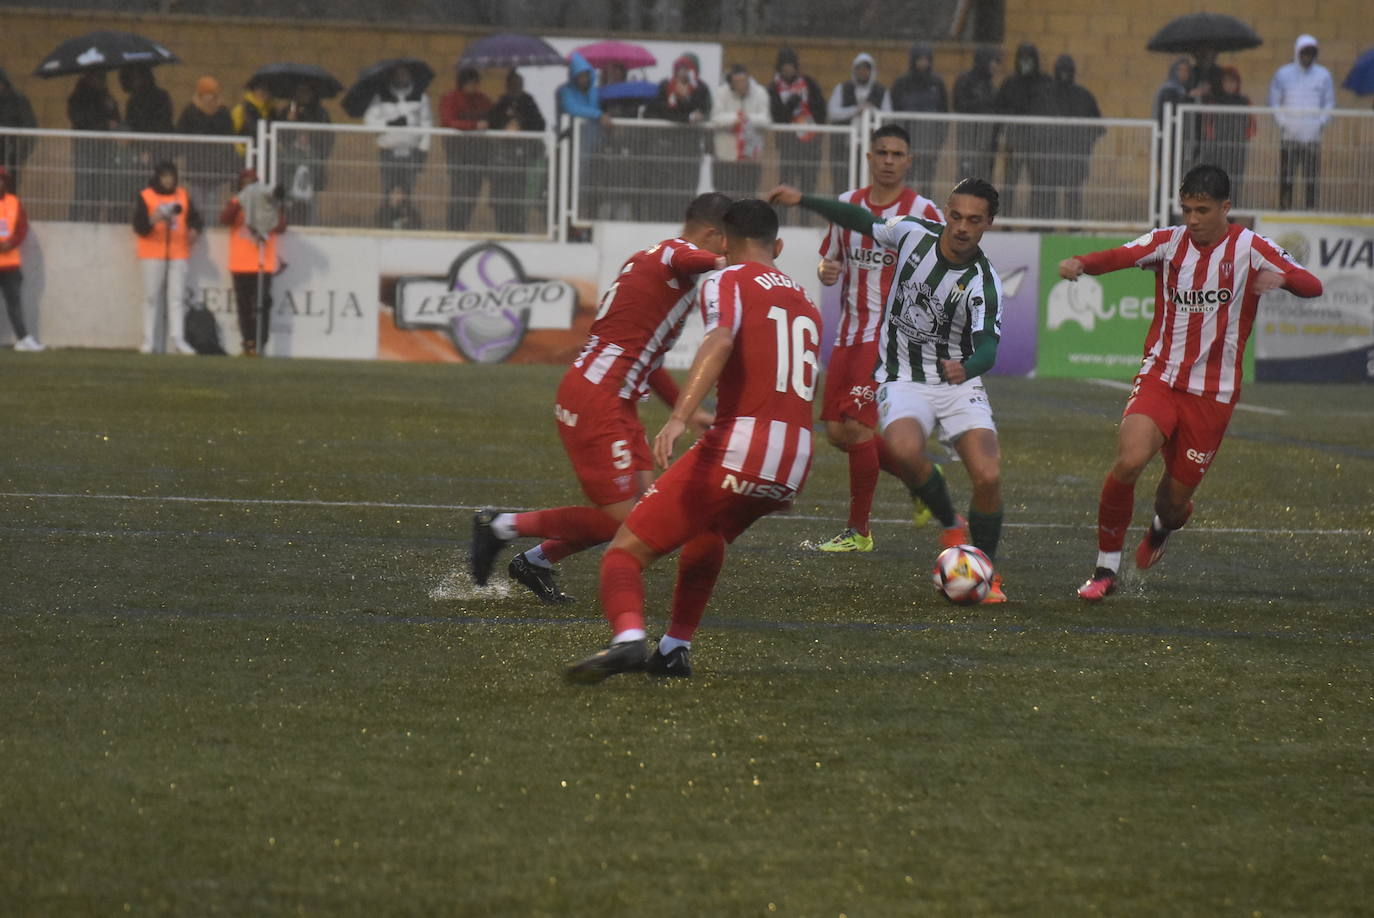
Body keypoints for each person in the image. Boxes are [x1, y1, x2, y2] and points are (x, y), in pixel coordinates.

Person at [563, 198, 822, 684]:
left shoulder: (727, 278)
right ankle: (674, 648)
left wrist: (679, 417)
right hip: (795, 458)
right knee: (709, 532)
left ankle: (627, 640)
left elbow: (720, 341)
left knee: (623, 553)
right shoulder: (805, 297)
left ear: (724, 243)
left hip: (741, 446)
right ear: (779, 246)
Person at [1060, 164, 1323, 601]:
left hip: (1214, 393)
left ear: (1226, 207)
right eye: (1186, 209)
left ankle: (1162, 527)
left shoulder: (1252, 247)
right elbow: (1121, 255)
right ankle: (1105, 569)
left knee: (1173, 502)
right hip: (1161, 376)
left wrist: (1285, 279)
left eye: (1202, 210)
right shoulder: (1168, 242)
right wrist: (1081, 263)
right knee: (1128, 462)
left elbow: (1312, 285)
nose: (1193, 219)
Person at [470, 192, 733, 604]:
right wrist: (734, 262)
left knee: (645, 513)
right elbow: (691, 259)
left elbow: (649, 360)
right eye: (729, 241)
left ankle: (535, 561)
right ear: (714, 235)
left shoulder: (654, 258)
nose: (730, 250)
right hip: (597, 398)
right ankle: (501, 525)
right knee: (624, 522)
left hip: (614, 399)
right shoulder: (676, 254)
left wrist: (690, 411)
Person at [769, 177, 1008, 602]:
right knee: (901, 449)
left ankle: (985, 571)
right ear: (946, 212)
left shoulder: (983, 282)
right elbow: (861, 219)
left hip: (957, 383)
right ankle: (950, 523)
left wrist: (966, 367)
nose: (961, 227)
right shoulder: (912, 232)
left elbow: (988, 347)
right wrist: (802, 198)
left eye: (974, 220)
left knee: (988, 476)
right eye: (955, 216)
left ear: (988, 223)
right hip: (902, 377)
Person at [810, 124, 943, 552]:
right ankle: (923, 477)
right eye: (881, 152)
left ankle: (859, 531)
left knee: (856, 426)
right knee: (836, 431)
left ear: (908, 161)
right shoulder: (847, 205)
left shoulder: (923, 211)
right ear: (869, 157)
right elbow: (828, 262)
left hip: (890, 338)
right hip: (848, 333)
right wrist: (825, 273)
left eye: (896, 153)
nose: (888, 160)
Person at [132, 160, 203, 354]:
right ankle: (148, 340)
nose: (169, 180)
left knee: (177, 297)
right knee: (151, 297)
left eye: (171, 176)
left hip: (178, 252)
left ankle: (178, 339)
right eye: (164, 176)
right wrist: (153, 219)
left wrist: (195, 230)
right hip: (152, 252)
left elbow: (195, 218)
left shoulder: (183, 195)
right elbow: (139, 227)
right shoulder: (146, 196)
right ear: (157, 177)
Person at [221, 169, 286, 356]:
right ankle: (248, 342)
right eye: (245, 184)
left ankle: (260, 342)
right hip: (240, 263)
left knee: (262, 304)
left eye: (252, 184)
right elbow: (225, 219)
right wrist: (239, 201)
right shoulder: (237, 202)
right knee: (244, 306)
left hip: (262, 263)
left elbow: (281, 227)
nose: (249, 188)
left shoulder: (268, 203)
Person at [1268, 35, 1335, 211]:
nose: (1307, 56)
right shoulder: (1283, 73)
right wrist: (1282, 122)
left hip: (1312, 136)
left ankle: (1310, 210)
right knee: (1286, 176)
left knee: (1311, 178)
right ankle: (1284, 209)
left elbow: (1329, 102)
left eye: (1311, 53)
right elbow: (1274, 100)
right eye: (1304, 53)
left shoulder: (1323, 75)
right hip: (1289, 134)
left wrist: (1320, 122)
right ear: (1297, 52)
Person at [363, 64, 433, 230]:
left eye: (405, 74)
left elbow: (427, 124)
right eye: (398, 74)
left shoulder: (421, 97)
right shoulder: (380, 97)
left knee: (407, 191)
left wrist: (424, 149)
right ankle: (385, 224)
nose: (402, 77)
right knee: (388, 190)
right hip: (389, 151)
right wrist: (390, 123)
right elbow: (369, 122)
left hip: (412, 151)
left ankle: (408, 224)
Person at [648, 54, 712, 222]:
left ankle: (684, 221)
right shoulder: (665, 86)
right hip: (667, 146)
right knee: (666, 187)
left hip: (690, 147)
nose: (683, 73)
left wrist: (685, 100)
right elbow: (660, 110)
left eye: (687, 69)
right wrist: (687, 117)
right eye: (680, 68)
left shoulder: (701, 89)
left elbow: (702, 111)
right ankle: (664, 220)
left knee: (688, 188)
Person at [994, 42, 1051, 216]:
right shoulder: (1010, 83)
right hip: (1014, 140)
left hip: (1038, 141)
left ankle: (1038, 219)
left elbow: (1050, 108)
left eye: (1029, 59)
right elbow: (1000, 108)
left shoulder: (1045, 83)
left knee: (1040, 183)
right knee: (1010, 182)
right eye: (1023, 58)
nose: (1026, 62)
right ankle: (1006, 220)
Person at [486, 69, 545, 235]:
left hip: (521, 160)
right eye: (513, 84)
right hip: (502, 160)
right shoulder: (501, 103)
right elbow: (492, 122)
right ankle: (502, 230)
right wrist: (506, 125)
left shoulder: (528, 101)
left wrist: (520, 122)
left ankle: (518, 230)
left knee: (518, 198)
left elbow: (540, 124)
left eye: (519, 84)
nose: (516, 87)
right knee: (500, 199)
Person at [1044, 54, 1103, 221]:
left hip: (1075, 156)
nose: (1064, 74)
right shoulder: (1046, 94)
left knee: (1073, 194)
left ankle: (1073, 227)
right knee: (1048, 194)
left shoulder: (1083, 96)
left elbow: (1097, 126)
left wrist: (1084, 144)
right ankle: (1047, 226)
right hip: (1050, 155)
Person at [827, 53, 892, 196]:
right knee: (841, 181)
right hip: (843, 147)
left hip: (871, 148)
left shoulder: (881, 91)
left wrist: (870, 110)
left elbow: (887, 116)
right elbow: (833, 112)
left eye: (866, 69)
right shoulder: (842, 88)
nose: (863, 72)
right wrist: (856, 110)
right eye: (860, 68)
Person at [557, 52, 609, 224]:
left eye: (586, 75)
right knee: (571, 187)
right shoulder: (565, 92)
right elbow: (572, 108)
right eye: (580, 76)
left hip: (593, 148)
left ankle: (586, 222)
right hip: (573, 148)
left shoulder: (595, 92)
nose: (583, 79)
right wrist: (598, 114)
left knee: (591, 188)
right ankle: (569, 223)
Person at [889, 42, 949, 192]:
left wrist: (939, 140)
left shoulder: (936, 83)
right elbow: (894, 111)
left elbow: (944, 112)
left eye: (926, 59)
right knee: (906, 181)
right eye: (920, 59)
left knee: (927, 182)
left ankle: (923, 213)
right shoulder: (902, 83)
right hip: (907, 142)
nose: (923, 63)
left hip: (929, 142)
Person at [438, 66, 492, 231]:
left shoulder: (482, 99)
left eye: (475, 83)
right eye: (470, 84)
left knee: (473, 191)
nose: (473, 87)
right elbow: (448, 121)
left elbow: (492, 115)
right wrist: (473, 126)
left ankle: (464, 224)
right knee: (460, 191)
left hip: (478, 153)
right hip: (458, 152)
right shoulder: (451, 99)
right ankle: (454, 227)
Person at [176, 76, 237, 218]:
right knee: (196, 208)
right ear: (200, 95)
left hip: (216, 169)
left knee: (213, 210)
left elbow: (229, 137)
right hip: (195, 168)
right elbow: (180, 135)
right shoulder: (190, 111)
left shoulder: (223, 112)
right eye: (206, 94)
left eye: (212, 94)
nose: (209, 98)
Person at [768, 47, 827, 191]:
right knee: (786, 184)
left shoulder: (809, 83)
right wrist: (790, 105)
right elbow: (776, 116)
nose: (788, 70)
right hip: (788, 144)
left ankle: (806, 214)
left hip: (810, 143)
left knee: (809, 185)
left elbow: (821, 109)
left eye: (791, 66)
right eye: (784, 67)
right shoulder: (773, 88)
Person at [274, 82, 333, 226]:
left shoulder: (320, 113)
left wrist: (319, 157)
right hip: (289, 190)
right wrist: (288, 121)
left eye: (307, 92)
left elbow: (327, 137)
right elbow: (280, 136)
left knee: (310, 216)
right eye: (301, 92)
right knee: (289, 216)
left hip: (309, 187)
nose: (304, 95)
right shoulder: (288, 110)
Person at [67, 70, 121, 222]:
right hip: (85, 147)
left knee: (99, 188)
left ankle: (94, 221)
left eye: (102, 78)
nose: (100, 81)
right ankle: (75, 222)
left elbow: (116, 118)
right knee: (83, 189)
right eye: (97, 77)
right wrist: (103, 124)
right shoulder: (77, 98)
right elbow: (79, 120)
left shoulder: (107, 98)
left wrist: (113, 123)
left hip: (104, 149)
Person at [710, 65, 771, 198]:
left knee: (747, 195)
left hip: (750, 156)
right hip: (726, 155)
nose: (741, 85)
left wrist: (747, 119)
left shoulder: (760, 93)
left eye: (743, 81)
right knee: (724, 195)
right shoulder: (721, 93)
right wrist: (736, 119)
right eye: (737, 82)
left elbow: (765, 119)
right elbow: (716, 118)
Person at [0, 167, 43, 351]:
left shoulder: (14, 202)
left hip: (10, 264)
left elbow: (22, 228)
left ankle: (23, 339)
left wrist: (11, 243)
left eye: (2, 179)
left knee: (14, 303)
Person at [1200, 67, 1255, 203]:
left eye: (1233, 82)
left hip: (1238, 147)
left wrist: (1245, 137)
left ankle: (1232, 210)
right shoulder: (1215, 100)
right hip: (1218, 147)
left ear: (1237, 83)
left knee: (1235, 180)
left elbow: (1252, 123)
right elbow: (1208, 122)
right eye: (1226, 82)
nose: (1230, 85)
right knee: (1217, 180)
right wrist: (1212, 138)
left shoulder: (1244, 101)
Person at [952, 46, 1002, 186]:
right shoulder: (966, 81)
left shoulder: (991, 86)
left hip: (986, 138)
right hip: (969, 133)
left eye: (997, 62)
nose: (996, 66)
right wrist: (982, 103)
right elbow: (959, 104)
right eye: (993, 61)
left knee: (983, 170)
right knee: (966, 168)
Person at [0, 68, 38, 192]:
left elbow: (29, 130)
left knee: (9, 193)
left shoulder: (18, 101)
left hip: (11, 158)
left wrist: (18, 154)